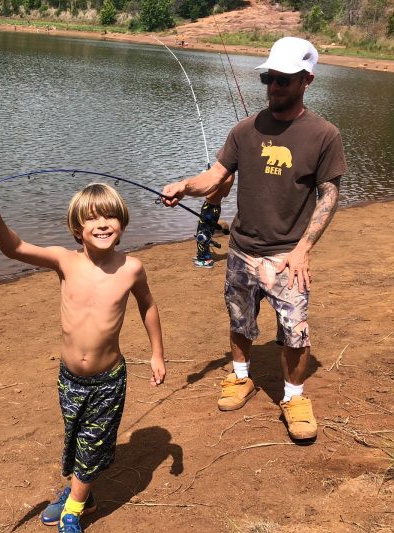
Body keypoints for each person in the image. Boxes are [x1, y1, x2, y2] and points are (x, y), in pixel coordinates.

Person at [162, 37, 347, 442]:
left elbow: (328, 195)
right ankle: (241, 376)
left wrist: (303, 249)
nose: (274, 86)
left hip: (287, 256)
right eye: (269, 78)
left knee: (295, 331)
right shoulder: (245, 130)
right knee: (239, 319)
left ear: (306, 80)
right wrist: (184, 186)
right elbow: (215, 176)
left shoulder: (324, 135)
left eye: (284, 79)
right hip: (242, 249)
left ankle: (294, 397)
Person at [0, 180, 166, 533]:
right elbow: (14, 248)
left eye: (111, 215)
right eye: (92, 218)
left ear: (122, 222)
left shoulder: (132, 268)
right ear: (77, 228)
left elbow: (148, 307)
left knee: (93, 445)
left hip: (109, 380)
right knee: (78, 439)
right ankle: (85, 494)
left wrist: (158, 353)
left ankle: (73, 511)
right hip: (69, 379)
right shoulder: (64, 261)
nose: (103, 223)